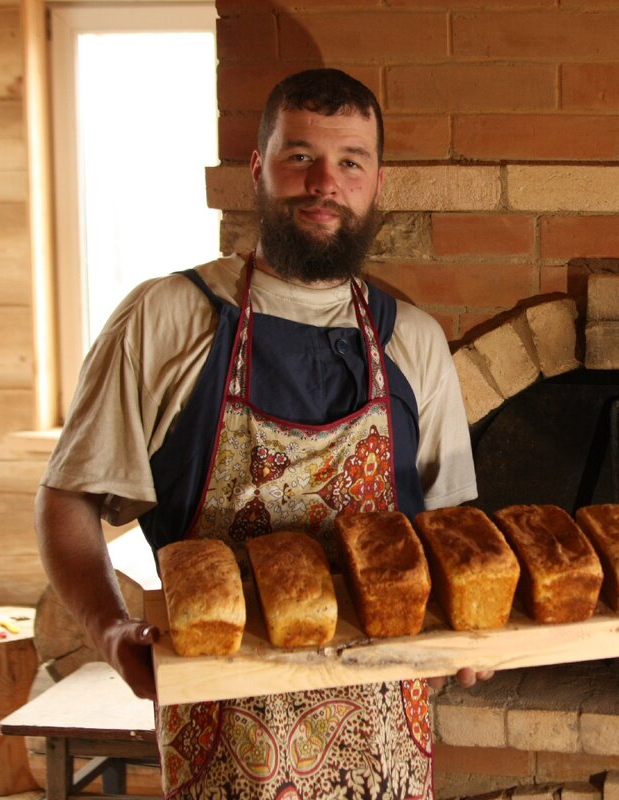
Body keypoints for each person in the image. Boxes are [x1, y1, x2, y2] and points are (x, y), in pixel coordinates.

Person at [36, 68, 485, 799]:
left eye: (350, 162)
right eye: (299, 156)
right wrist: (112, 632)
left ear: (378, 182)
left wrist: (475, 626)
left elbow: (452, 525)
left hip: (384, 734)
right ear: (258, 167)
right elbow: (67, 502)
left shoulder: (416, 343)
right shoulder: (165, 320)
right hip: (224, 732)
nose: (324, 183)